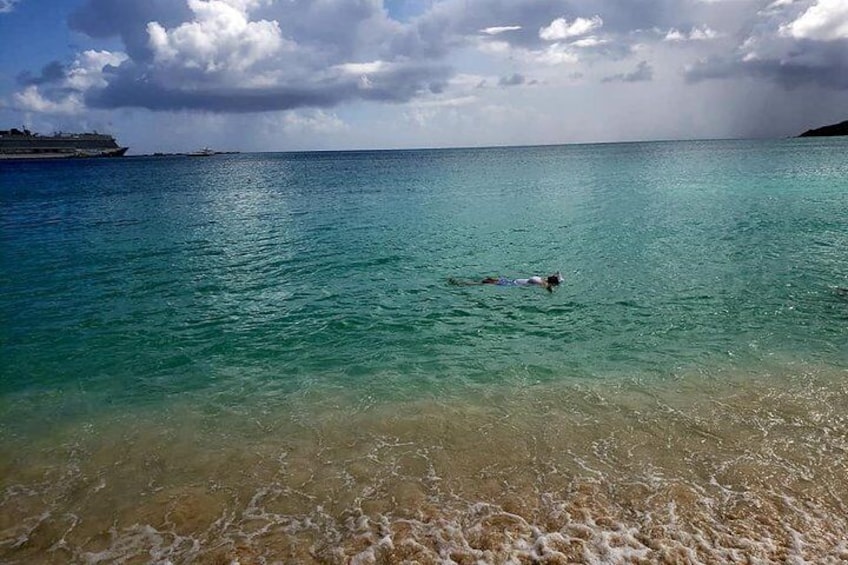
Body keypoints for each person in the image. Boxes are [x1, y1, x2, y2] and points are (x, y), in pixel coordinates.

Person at [480, 272, 563, 292]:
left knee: (494, 280)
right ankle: (472, 284)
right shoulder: (543, 283)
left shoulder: (542, 279)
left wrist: (557, 275)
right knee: (486, 283)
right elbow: (549, 289)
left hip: (514, 280)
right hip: (512, 284)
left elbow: (551, 278)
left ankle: (489, 279)